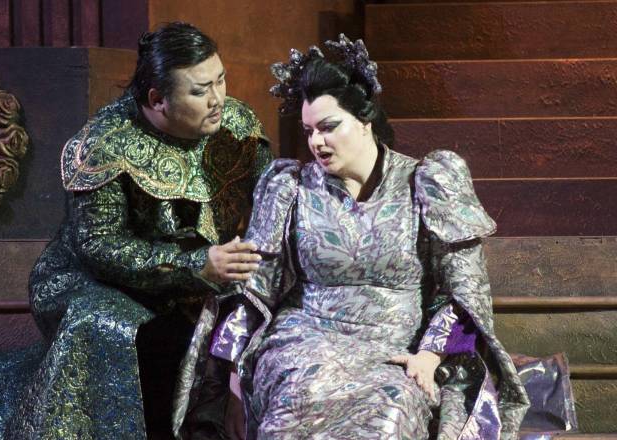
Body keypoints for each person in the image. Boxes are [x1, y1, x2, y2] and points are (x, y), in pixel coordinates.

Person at [173, 35, 529, 439]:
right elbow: (255, 291)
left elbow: (464, 291)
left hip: (394, 349)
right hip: (304, 343)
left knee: (390, 410)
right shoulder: (290, 187)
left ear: (365, 120)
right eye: (308, 131)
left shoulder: (427, 182)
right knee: (299, 397)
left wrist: (430, 355)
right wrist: (234, 377)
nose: (316, 142)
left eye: (328, 127)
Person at [0, 22, 272, 440]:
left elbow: (269, 203)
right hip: (104, 284)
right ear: (157, 100)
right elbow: (99, 245)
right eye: (200, 91)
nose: (218, 99)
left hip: (212, 277)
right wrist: (193, 265)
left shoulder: (237, 126)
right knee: (118, 330)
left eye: (220, 80)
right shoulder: (105, 145)